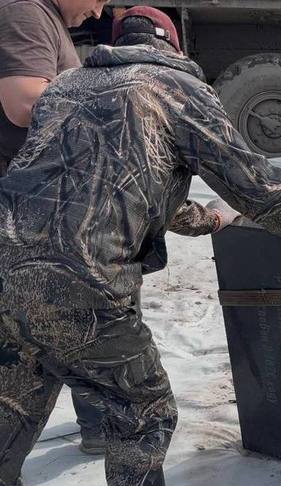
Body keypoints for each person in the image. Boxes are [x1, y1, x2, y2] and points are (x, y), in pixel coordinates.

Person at [0, 6, 281, 486]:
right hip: (80, 285)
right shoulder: (177, 89)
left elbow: (117, 180)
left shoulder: (69, 89)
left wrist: (209, 220)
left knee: (6, 432)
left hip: (5, 271)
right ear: (174, 48)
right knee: (145, 410)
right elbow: (257, 188)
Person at [0, 0, 235, 455]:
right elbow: (23, 102)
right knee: (103, 352)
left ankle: (101, 427)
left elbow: (151, 201)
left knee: (64, 335)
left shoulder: (46, 21)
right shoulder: (26, 11)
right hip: (42, 222)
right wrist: (111, 113)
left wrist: (209, 217)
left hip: (56, 218)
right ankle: (115, 455)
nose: (99, 8)